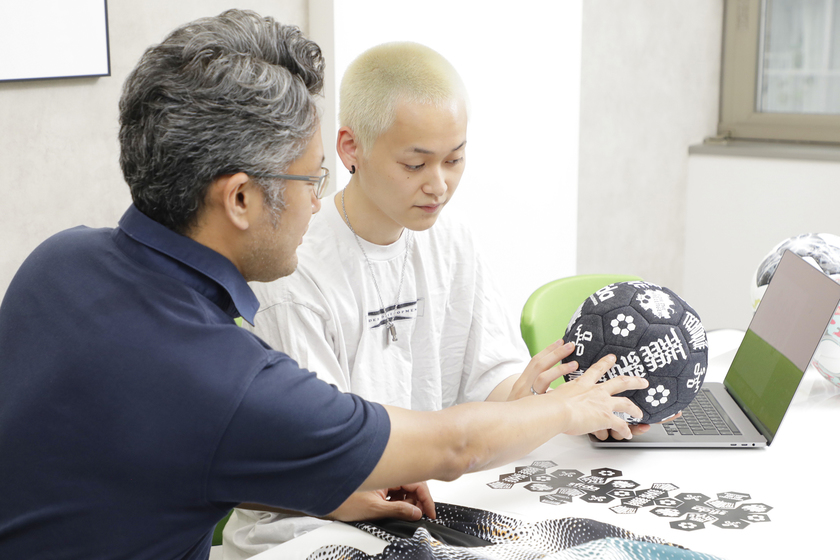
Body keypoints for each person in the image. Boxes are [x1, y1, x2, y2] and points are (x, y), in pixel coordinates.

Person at [0, 10, 647, 560]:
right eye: (311, 179)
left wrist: (322, 486)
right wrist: (568, 409)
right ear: (241, 199)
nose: (317, 202)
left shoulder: (58, 261)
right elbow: (453, 447)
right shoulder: (226, 377)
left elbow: (159, 460)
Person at [224, 42, 652, 558]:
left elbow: (489, 385)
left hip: (422, 502)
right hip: (311, 528)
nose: (439, 185)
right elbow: (332, 459)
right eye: (415, 163)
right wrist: (553, 412)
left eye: (455, 159)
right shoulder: (295, 268)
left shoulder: (451, 241)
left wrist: (552, 401)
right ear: (350, 148)